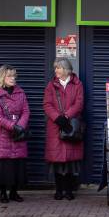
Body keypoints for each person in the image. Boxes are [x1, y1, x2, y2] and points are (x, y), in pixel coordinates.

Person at [43, 57, 85, 200]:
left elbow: (79, 104)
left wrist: (66, 116)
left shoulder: (77, 84)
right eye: (55, 68)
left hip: (70, 126)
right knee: (57, 161)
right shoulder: (51, 85)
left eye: (58, 68)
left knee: (69, 161)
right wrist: (58, 118)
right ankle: (58, 190)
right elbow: (47, 104)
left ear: (66, 69)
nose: (56, 71)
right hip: (55, 127)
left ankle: (69, 190)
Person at [0, 64, 30, 203]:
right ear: (3, 77)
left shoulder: (21, 93)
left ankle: (14, 192)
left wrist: (20, 126)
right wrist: (13, 126)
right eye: (9, 76)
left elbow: (26, 111)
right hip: (3, 135)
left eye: (14, 76)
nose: (13, 78)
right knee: (4, 165)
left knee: (16, 165)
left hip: (18, 134)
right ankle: (3, 193)